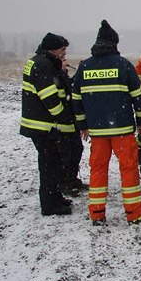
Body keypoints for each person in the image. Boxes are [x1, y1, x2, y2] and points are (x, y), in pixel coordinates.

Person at [72, 20, 141, 226]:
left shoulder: (85, 67)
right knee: (128, 169)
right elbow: (138, 97)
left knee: (98, 170)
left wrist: (83, 126)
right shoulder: (124, 65)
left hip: (97, 131)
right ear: (114, 44)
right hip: (123, 130)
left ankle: (97, 214)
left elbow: (76, 100)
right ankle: (134, 214)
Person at [20, 32, 76, 216]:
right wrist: (63, 117)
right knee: (49, 164)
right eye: (62, 50)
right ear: (52, 49)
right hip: (43, 125)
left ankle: (55, 196)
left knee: (51, 163)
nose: (63, 54)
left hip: (38, 123)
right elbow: (50, 97)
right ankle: (50, 204)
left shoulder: (38, 61)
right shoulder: (44, 66)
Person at [56, 38, 87, 197]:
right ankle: (65, 182)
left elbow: (72, 88)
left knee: (77, 149)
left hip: (71, 121)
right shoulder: (56, 76)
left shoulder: (63, 75)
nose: (65, 61)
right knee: (67, 153)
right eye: (62, 59)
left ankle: (72, 179)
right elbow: (69, 92)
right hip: (63, 123)